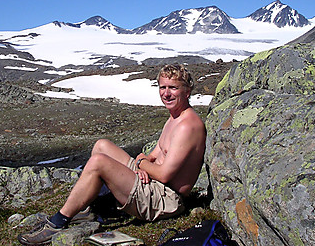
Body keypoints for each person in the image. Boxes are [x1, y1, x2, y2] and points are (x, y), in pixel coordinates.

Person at [18, 63, 207, 245]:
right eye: (162, 87)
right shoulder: (174, 117)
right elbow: (151, 155)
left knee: (99, 162)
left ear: (187, 91)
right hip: (154, 183)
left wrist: (143, 166)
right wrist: (144, 164)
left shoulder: (187, 126)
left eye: (173, 88)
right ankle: (87, 209)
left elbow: (164, 174)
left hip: (165, 199)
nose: (166, 93)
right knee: (102, 146)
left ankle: (58, 222)